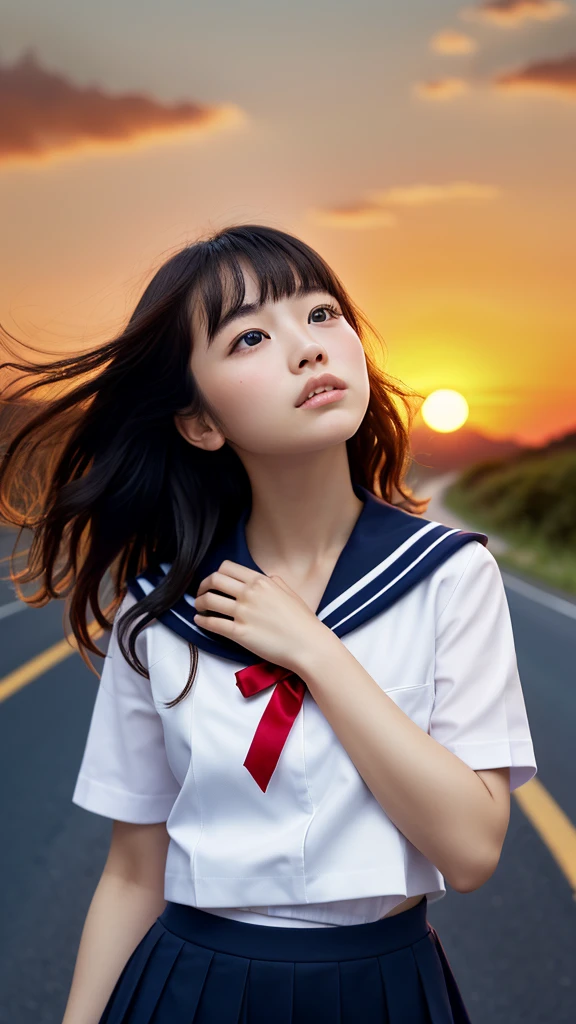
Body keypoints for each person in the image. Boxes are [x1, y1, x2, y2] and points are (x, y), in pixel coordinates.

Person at [0, 224, 537, 1024]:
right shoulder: (159, 617)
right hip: (189, 988)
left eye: (322, 315)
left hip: (382, 989)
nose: (308, 349)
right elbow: (133, 875)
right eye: (250, 336)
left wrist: (313, 650)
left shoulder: (452, 579)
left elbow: (471, 850)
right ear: (200, 422)